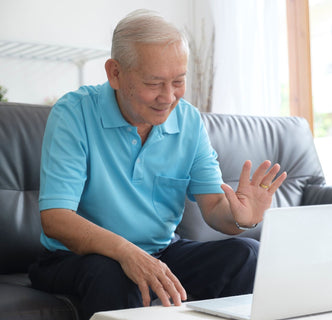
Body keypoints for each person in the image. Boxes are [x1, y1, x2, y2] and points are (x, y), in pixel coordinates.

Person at [28, 8, 287, 320]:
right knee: (115, 273)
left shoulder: (189, 120)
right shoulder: (74, 113)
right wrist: (127, 253)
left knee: (247, 255)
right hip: (76, 257)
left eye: (178, 81)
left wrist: (243, 218)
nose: (169, 97)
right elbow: (56, 219)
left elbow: (215, 206)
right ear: (115, 73)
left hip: (161, 252)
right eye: (154, 83)